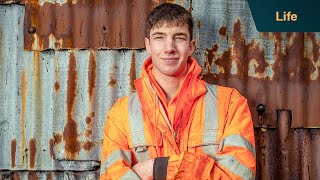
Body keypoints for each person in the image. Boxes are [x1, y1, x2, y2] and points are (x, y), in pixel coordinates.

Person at [100, 3, 255, 180]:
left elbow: (239, 176)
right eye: (159, 37)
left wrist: (158, 168)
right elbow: (111, 177)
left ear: (191, 46)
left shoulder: (230, 104)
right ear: (148, 45)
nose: (169, 48)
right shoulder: (121, 114)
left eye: (179, 37)